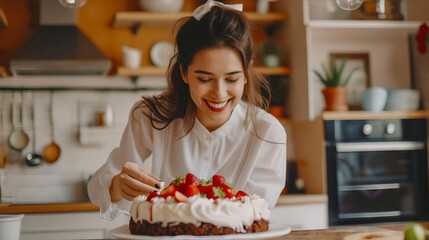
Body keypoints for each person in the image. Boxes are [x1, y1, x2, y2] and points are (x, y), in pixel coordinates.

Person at [88, 0, 286, 221]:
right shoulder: (149, 115)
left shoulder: (268, 133)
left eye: (232, 78)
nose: (219, 93)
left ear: (247, 72)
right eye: (204, 78)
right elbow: (98, 187)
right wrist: (118, 186)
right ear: (183, 72)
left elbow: (250, 217)